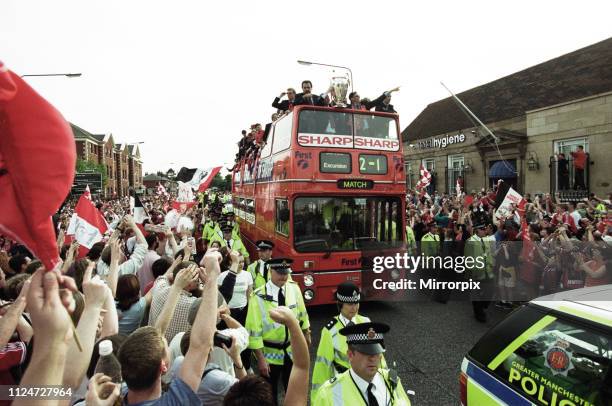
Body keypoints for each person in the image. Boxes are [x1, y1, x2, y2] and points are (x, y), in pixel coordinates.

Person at [116, 251, 221, 405]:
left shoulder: (114, 393)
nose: (161, 336)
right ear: (163, 367)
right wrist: (212, 279)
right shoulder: (175, 401)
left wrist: (177, 287)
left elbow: (159, 332)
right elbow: (201, 344)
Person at [245, 258, 310, 404]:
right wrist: (260, 359)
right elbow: (253, 331)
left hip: (291, 351)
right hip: (270, 355)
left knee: (294, 389)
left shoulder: (294, 288)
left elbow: (302, 313)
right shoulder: (258, 296)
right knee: (269, 394)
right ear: (271, 271)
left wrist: (306, 333)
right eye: (279, 273)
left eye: (285, 272)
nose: (283, 276)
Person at [311, 281, 381, 401]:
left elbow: (378, 356)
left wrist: (383, 379)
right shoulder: (330, 331)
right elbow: (322, 366)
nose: (354, 307)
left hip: (366, 381)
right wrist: (317, 398)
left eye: (356, 303)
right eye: (349, 304)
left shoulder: (366, 322)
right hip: (344, 383)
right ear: (340, 304)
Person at [313, 322, 412, 406]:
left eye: (376, 352)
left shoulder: (392, 380)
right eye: (366, 352)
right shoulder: (328, 394)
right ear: (350, 355)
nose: (372, 358)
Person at [465, 222, 495, 323]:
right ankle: (479, 314)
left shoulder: (486, 240)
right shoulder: (470, 241)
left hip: (488, 271)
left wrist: (491, 265)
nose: (484, 231)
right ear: (477, 230)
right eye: (482, 229)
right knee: (476, 295)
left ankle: (482, 306)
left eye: (485, 229)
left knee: (490, 291)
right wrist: (471, 271)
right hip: (477, 273)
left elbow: (489, 254)